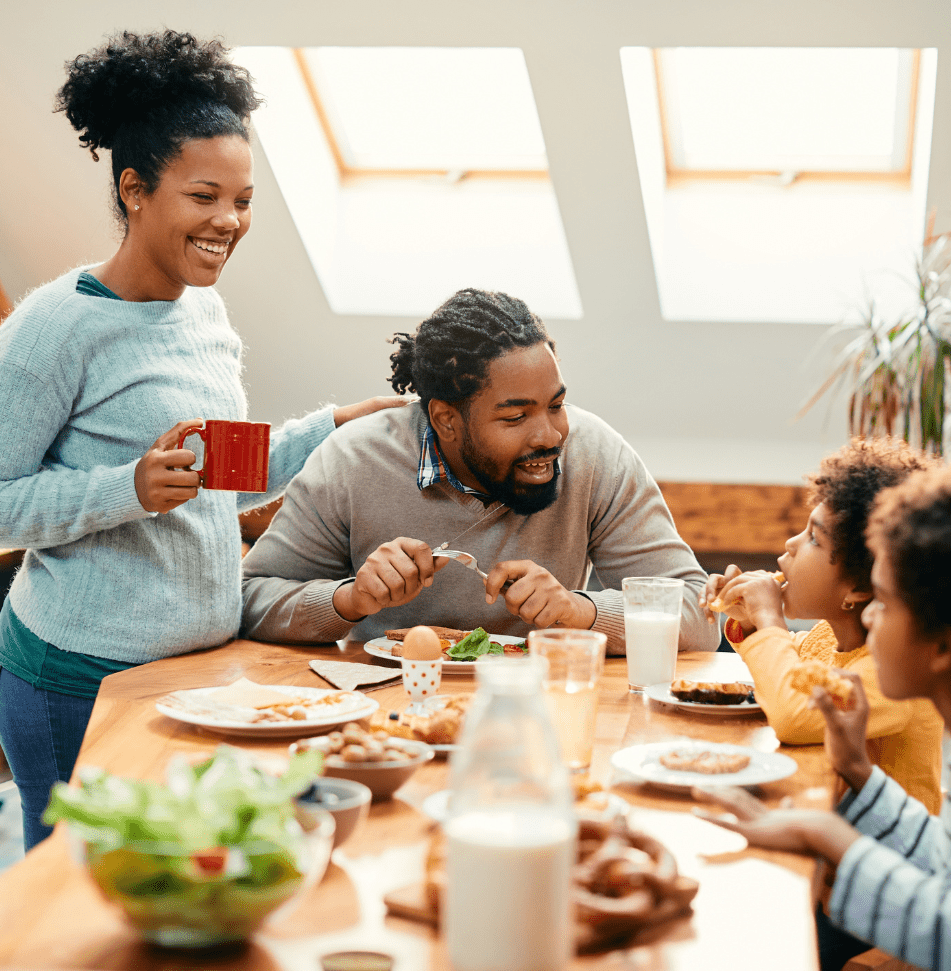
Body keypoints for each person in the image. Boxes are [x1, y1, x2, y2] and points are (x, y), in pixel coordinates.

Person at [0, 29, 400, 850]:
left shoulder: (203, 313)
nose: (229, 221)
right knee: (77, 894)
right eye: (204, 196)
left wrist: (333, 428)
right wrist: (126, 489)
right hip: (74, 680)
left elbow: (216, 474)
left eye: (244, 199)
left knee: (183, 885)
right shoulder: (50, 330)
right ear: (135, 189)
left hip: (197, 673)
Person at [241, 289, 715, 653]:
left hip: (541, 706)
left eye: (556, 405)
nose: (550, 435)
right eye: (516, 416)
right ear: (446, 420)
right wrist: (349, 600)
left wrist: (580, 610)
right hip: (387, 711)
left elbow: (699, 614)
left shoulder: (596, 455)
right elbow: (249, 599)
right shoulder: (352, 460)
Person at [693, 465, 951, 971]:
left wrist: (824, 834)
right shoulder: (833, 641)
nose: (871, 614)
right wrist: (857, 770)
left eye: (886, 602)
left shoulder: (884, 682)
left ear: (940, 644)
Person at [701, 438, 943, 814]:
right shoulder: (829, 638)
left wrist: (770, 620)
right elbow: (785, 669)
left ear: (858, 588)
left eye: (814, 538)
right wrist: (749, 620)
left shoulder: (896, 678)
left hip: (883, 843)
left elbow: (793, 714)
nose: (791, 543)